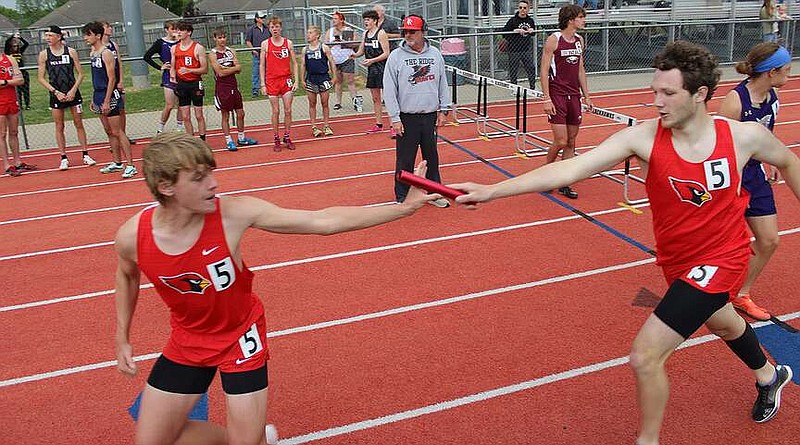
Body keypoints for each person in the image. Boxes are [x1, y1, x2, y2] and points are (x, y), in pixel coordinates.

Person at [452, 40, 798, 445]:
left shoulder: (742, 137)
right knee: (721, 321)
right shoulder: (642, 138)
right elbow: (573, 168)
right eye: (655, 91)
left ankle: (647, 440)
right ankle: (770, 375)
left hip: (724, 256)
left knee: (645, 356)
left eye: (668, 93)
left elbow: (788, 160)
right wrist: (493, 190)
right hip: (677, 262)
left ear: (700, 94)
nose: (657, 102)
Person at [113, 132, 438, 445]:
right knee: (154, 440)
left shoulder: (233, 214)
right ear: (166, 186)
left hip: (241, 336)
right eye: (198, 178)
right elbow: (127, 276)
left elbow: (322, 221)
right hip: (188, 339)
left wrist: (404, 208)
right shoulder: (133, 238)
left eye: (211, 173)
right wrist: (122, 335)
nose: (213, 184)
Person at [717, 43, 792, 321]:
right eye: (786, 70)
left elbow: (767, 135)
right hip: (730, 177)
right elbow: (718, 145)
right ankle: (707, 292)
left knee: (769, 240)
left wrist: (771, 159)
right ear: (771, 72)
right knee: (722, 244)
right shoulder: (735, 101)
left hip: (755, 174)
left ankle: (740, 294)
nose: (790, 75)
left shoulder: (773, 98)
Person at [384, 15, 452, 209]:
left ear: (423, 32)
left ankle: (434, 193)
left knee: (431, 157)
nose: (408, 35)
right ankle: (402, 196)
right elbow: (389, 90)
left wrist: (443, 109)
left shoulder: (435, 54)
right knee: (405, 159)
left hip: (430, 115)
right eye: (405, 31)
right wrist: (395, 118)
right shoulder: (396, 57)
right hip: (407, 118)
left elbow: (442, 83)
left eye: (412, 31)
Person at [540, 5, 592, 199]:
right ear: (571, 20)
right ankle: (546, 173)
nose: (584, 20)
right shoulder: (554, 40)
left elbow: (580, 69)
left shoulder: (579, 40)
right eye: (581, 17)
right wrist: (546, 98)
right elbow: (544, 70)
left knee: (571, 141)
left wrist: (587, 95)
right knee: (560, 141)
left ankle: (564, 182)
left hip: (574, 96)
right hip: (557, 95)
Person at [36, 25, 94, 171]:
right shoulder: (44, 54)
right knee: (59, 126)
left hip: (73, 93)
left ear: (58, 36)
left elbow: (80, 73)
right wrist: (55, 92)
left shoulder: (71, 52)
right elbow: (40, 78)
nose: (47, 38)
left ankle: (85, 154)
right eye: (46, 35)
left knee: (78, 123)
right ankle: (63, 157)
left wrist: (73, 90)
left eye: (50, 35)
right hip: (56, 94)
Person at [83, 21, 136, 179]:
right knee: (109, 132)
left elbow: (112, 78)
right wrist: (96, 99)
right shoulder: (93, 53)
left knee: (118, 131)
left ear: (97, 35)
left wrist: (107, 100)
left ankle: (130, 164)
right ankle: (117, 162)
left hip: (110, 94)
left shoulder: (106, 53)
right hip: (98, 94)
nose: (85, 38)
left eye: (88, 34)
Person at [209, 27, 258, 151]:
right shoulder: (213, 54)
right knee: (225, 115)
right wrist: (231, 69)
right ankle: (229, 140)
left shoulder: (231, 51)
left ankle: (241, 138)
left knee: (241, 113)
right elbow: (220, 73)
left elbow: (239, 68)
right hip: (222, 88)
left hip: (233, 86)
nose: (222, 40)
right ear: (215, 39)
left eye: (224, 37)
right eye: (219, 37)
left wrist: (227, 69)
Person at [259, 16, 299, 152]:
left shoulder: (288, 43)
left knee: (288, 110)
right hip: (272, 81)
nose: (274, 29)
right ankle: (276, 138)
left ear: (280, 28)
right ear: (269, 29)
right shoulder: (265, 44)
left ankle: (287, 136)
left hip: (286, 79)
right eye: (272, 27)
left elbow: (294, 63)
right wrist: (263, 84)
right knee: (275, 111)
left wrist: (297, 80)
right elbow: (262, 65)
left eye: (276, 26)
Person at [351, 10, 390, 135]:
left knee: (388, 98)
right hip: (372, 69)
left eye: (368, 20)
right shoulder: (365, 34)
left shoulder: (381, 33)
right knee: (375, 98)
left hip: (383, 68)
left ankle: (393, 125)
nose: (365, 22)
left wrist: (372, 60)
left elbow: (386, 53)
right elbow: (361, 51)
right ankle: (379, 124)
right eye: (365, 20)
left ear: (375, 21)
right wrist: (354, 55)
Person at [170, 20, 208, 141]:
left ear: (189, 32)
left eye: (181, 30)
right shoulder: (174, 48)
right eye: (177, 30)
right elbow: (173, 66)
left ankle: (202, 140)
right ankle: (191, 141)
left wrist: (189, 70)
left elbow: (205, 69)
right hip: (182, 84)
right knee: (185, 116)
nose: (178, 32)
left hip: (195, 83)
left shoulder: (198, 48)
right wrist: (173, 75)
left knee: (199, 115)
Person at [143, 20, 183, 134]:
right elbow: (147, 56)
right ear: (166, 30)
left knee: (182, 104)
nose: (175, 31)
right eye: (172, 29)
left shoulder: (181, 42)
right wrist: (160, 67)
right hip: (168, 75)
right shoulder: (160, 43)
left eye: (176, 29)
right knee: (170, 105)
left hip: (181, 74)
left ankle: (179, 127)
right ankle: (161, 127)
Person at [300, 25, 337, 138]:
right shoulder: (305, 50)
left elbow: (331, 62)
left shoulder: (324, 48)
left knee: (325, 103)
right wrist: (302, 79)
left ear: (317, 35)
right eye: (308, 32)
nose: (308, 35)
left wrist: (334, 76)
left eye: (310, 33)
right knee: (312, 103)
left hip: (323, 77)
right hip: (311, 78)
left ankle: (326, 125)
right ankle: (314, 126)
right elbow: (303, 65)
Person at [102, 21, 134, 145]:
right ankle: (113, 139)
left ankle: (123, 136)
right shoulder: (98, 47)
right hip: (106, 83)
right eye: (107, 27)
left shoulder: (113, 45)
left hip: (117, 82)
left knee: (121, 110)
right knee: (108, 112)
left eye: (110, 26)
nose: (110, 29)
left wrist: (121, 80)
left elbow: (119, 63)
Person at [325, 11, 361, 112]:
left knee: (350, 81)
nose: (333, 21)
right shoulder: (330, 31)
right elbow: (325, 44)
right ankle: (338, 102)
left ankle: (355, 100)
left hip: (346, 58)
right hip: (335, 60)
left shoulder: (348, 30)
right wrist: (332, 43)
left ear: (341, 20)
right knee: (338, 81)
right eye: (333, 19)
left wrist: (343, 42)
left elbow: (355, 44)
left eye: (336, 19)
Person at [0, 40, 25, 176]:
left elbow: (20, 80)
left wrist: (5, 82)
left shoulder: (9, 59)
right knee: (2, 133)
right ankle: (6, 164)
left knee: (14, 131)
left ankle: (17, 161)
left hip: (11, 99)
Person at [500, 0, 537, 90]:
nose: (522, 10)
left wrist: (532, 31)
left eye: (524, 8)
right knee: (513, 70)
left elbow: (533, 33)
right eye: (520, 8)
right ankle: (514, 88)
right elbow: (504, 33)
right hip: (514, 50)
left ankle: (532, 87)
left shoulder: (530, 20)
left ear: (528, 9)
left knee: (531, 68)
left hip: (526, 49)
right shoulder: (512, 20)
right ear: (518, 9)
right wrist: (514, 31)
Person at [244, 12, 269, 97]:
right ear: (257, 19)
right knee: (256, 72)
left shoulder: (267, 28)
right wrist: (253, 49)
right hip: (257, 54)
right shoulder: (251, 29)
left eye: (264, 18)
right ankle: (255, 90)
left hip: (266, 54)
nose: (263, 19)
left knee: (267, 71)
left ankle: (267, 88)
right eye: (261, 18)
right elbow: (248, 41)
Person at [7, 34, 30, 110]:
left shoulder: (20, 51)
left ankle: (27, 105)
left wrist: (20, 38)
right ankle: (19, 105)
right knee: (18, 91)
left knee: (26, 90)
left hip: (23, 72)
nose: (15, 47)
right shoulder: (8, 53)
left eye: (16, 46)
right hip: (15, 73)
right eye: (14, 46)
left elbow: (26, 44)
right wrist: (12, 36)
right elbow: (7, 42)